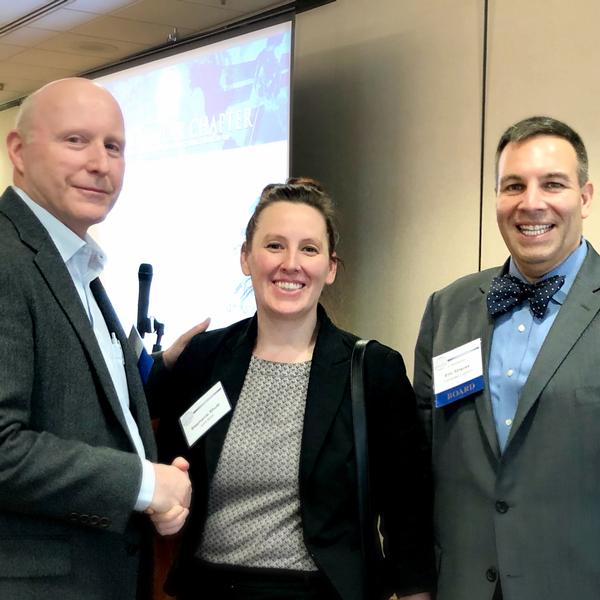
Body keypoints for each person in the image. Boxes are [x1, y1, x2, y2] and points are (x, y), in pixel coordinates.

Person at [147, 178, 435, 600]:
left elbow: (406, 511)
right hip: (207, 588)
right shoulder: (204, 358)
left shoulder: (373, 369)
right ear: (246, 258)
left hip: (322, 592)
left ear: (331, 267)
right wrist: (165, 505)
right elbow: (168, 466)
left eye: (309, 249)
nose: (291, 263)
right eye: (275, 245)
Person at [0, 77, 197, 600]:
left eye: (114, 147)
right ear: (18, 151)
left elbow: (76, 403)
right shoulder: (5, 259)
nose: (100, 163)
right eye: (75, 140)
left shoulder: (75, 265)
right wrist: (145, 483)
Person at [413, 115, 600, 600]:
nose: (530, 202)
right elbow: (420, 461)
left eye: (552, 184)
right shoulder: (447, 308)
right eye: (513, 185)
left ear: (585, 196)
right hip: (462, 585)